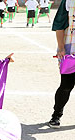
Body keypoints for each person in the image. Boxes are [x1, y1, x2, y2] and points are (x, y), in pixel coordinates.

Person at [48, 0, 74, 128]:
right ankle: (56, 115)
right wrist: (61, 47)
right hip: (71, 50)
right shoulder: (68, 2)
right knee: (66, 86)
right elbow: (59, 25)